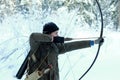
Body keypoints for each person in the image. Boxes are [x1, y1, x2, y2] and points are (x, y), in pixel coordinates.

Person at [25, 22, 104, 80]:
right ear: (48, 34)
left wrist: (93, 42)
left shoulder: (55, 47)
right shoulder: (37, 45)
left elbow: (72, 45)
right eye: (55, 33)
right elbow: (33, 36)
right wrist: (50, 38)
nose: (58, 35)